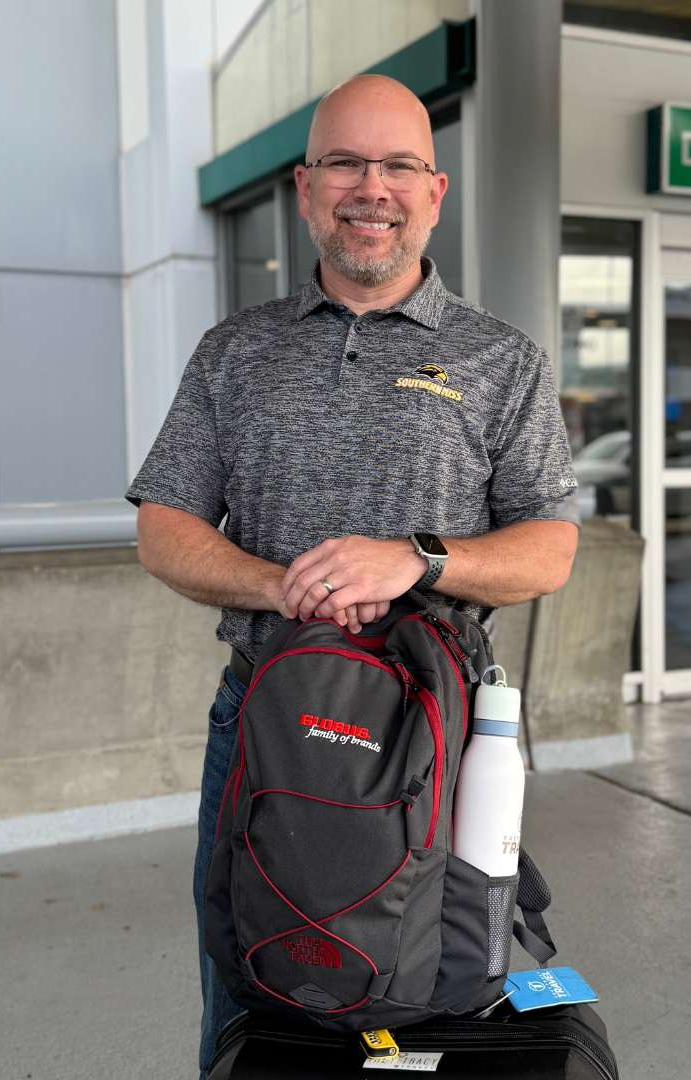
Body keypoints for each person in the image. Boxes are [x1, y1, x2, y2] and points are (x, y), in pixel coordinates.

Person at [126, 73, 580, 1079]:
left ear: (434, 190)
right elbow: (163, 530)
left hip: (445, 736)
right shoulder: (233, 353)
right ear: (303, 187)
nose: (370, 187)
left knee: (440, 980)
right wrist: (291, 583)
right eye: (344, 163)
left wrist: (417, 560)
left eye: (397, 165)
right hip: (266, 723)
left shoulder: (503, 361)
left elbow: (549, 546)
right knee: (254, 978)